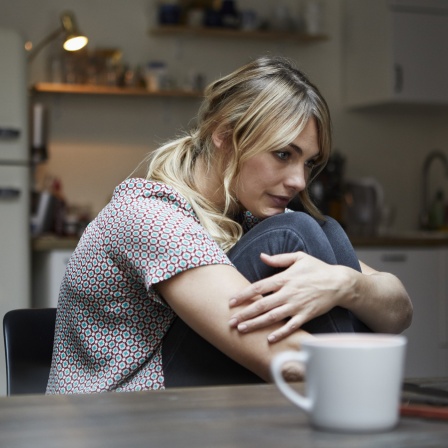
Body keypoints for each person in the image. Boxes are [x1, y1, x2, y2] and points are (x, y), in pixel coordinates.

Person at [46, 56, 412, 394]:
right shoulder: (149, 216)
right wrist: (371, 373)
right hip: (119, 416)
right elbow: (285, 361)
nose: (299, 181)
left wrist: (347, 285)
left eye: (308, 163)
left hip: (191, 408)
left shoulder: (250, 213)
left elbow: (400, 311)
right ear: (224, 134)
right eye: (283, 154)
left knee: (324, 229)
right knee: (296, 231)